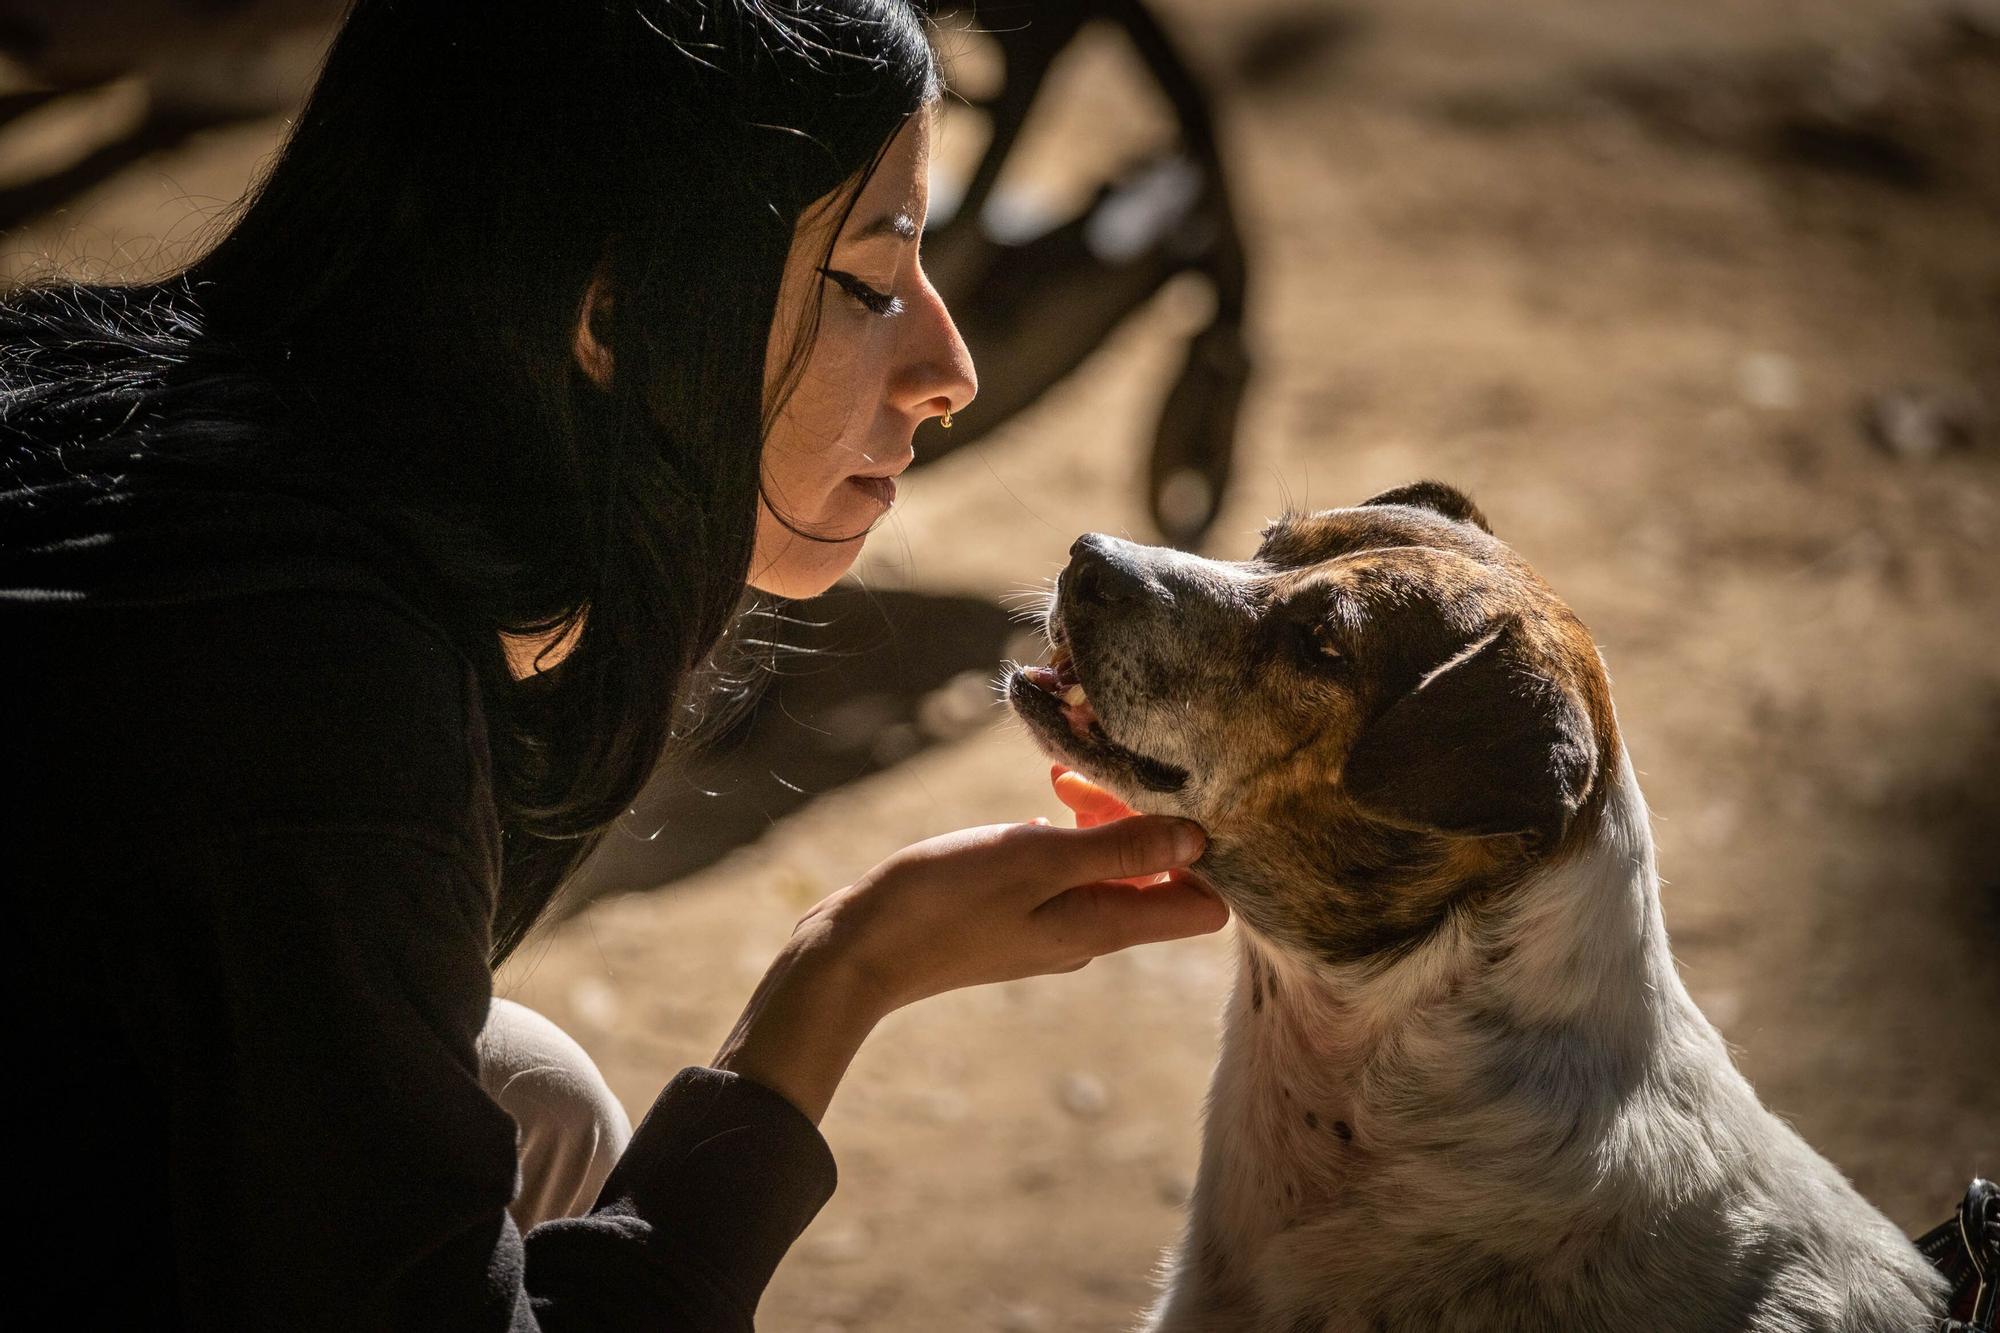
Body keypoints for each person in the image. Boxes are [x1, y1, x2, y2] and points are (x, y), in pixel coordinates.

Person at [0, 1, 1229, 1328]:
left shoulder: (94, 389)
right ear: (618, 308)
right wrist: (844, 976)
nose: (951, 370)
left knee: (528, 1096)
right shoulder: (312, 706)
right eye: (873, 284)